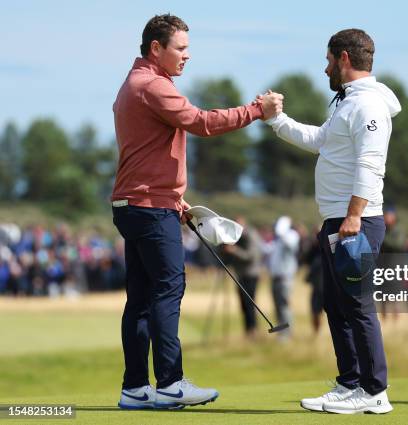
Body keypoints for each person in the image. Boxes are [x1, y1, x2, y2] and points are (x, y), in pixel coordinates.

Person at [111, 14, 282, 410]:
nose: (188, 56)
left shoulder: (133, 83)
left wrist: (175, 198)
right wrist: (257, 109)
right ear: (157, 48)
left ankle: (135, 388)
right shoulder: (153, 85)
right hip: (150, 208)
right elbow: (202, 123)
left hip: (136, 203)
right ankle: (170, 383)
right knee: (168, 290)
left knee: (139, 299)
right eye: (181, 48)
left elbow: (146, 153)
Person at [264, 28, 401, 414]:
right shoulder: (346, 103)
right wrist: (278, 120)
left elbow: (371, 165)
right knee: (336, 305)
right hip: (337, 220)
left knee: (357, 306)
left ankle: (374, 392)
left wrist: (354, 216)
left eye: (328, 60)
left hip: (355, 220)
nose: (325, 67)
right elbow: (320, 141)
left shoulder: (368, 105)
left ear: (343, 58)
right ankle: (350, 383)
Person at [222, 216, 263, 339]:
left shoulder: (251, 235)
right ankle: (248, 332)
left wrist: (234, 250)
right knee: (244, 305)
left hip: (251, 275)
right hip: (241, 275)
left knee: (249, 304)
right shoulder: (238, 236)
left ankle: (253, 331)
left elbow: (250, 256)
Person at [268, 216, 300, 340]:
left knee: (284, 307)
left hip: (285, 279)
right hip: (275, 278)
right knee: (277, 307)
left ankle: (287, 334)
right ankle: (281, 333)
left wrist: (282, 231)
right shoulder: (279, 239)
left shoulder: (291, 235)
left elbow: (291, 246)